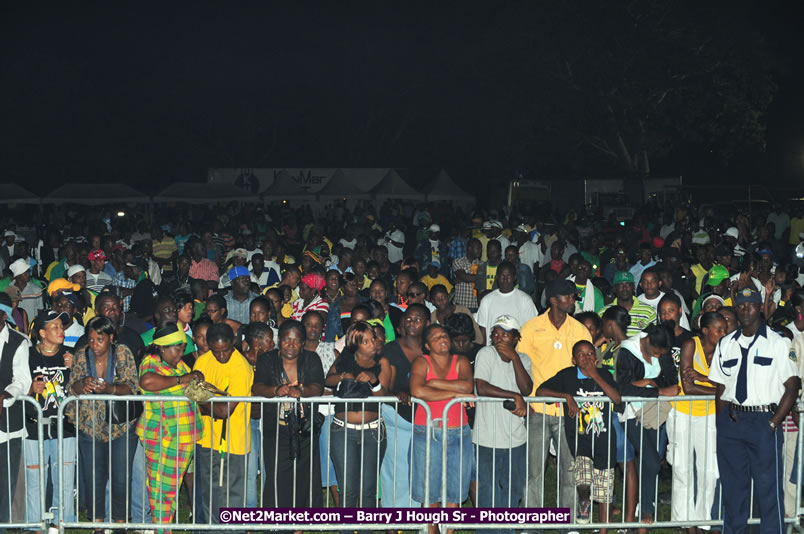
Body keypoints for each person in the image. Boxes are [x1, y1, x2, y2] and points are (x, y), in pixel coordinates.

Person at [708, 287, 800, 533]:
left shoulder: (778, 343)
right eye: (740, 305)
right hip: (732, 422)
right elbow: (720, 386)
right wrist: (721, 423)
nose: (745, 309)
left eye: (750, 305)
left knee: (768, 491)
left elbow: (792, 387)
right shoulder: (726, 344)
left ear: (760, 307)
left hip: (763, 421)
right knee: (733, 491)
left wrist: (773, 423)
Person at [517, 279, 591, 511]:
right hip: (537, 408)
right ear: (553, 300)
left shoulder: (579, 330)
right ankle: (532, 521)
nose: (573, 300)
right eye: (568, 296)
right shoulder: (531, 327)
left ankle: (567, 521)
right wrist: (527, 402)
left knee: (569, 470)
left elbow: (587, 368)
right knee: (534, 471)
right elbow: (521, 366)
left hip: (569, 411)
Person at [537, 340, 621, 529]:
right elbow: (540, 391)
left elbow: (616, 398)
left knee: (605, 490)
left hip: (604, 440)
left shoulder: (604, 374)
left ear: (597, 357)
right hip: (580, 439)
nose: (586, 358)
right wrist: (566, 397)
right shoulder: (567, 376)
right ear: (574, 360)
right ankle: (584, 501)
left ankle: (603, 529)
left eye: (590, 354)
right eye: (581, 355)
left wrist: (595, 375)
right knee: (583, 478)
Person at [68, 315, 139, 529]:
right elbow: (72, 388)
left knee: (120, 478)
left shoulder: (122, 353)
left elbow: (133, 387)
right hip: (89, 426)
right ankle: (98, 525)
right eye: (90, 340)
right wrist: (84, 383)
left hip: (121, 426)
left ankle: (119, 525)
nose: (94, 345)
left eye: (99, 340)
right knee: (94, 478)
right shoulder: (82, 354)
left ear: (110, 337)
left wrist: (110, 389)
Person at [137, 322, 204, 528]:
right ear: (162, 347)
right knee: (162, 490)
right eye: (177, 349)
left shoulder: (181, 366)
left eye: (183, 349)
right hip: (163, 437)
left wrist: (204, 385)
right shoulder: (151, 362)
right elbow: (147, 382)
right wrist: (181, 379)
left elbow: (197, 396)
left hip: (184, 438)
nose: (180, 353)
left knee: (169, 490)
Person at [253, 320, 324, 508]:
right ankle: (278, 523)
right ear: (279, 340)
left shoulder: (311, 359)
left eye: (296, 340)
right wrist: (276, 390)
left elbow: (318, 388)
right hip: (276, 431)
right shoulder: (267, 360)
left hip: (305, 431)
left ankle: (301, 524)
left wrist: (301, 390)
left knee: (305, 478)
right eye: (286, 340)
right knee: (277, 477)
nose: (291, 345)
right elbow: (257, 386)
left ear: (302, 342)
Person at [409, 324, 473, 534]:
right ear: (427, 345)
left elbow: (467, 387)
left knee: (455, 488)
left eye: (444, 335)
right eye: (436, 338)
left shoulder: (461, 361)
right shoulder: (421, 362)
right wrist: (455, 395)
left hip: (459, 431)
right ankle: (430, 530)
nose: (442, 339)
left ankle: (449, 530)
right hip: (428, 431)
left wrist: (435, 383)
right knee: (429, 490)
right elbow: (418, 390)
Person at [615, 324, 680, 531]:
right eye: (655, 353)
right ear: (646, 341)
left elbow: (671, 379)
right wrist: (658, 391)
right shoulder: (627, 351)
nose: (658, 356)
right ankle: (645, 511)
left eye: (662, 354)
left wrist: (649, 382)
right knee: (652, 460)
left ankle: (642, 515)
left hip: (654, 414)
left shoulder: (663, 349)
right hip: (631, 414)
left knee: (649, 461)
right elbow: (624, 389)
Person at [473, 315, 533, 532]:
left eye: (505, 334)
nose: (499, 338)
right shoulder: (485, 354)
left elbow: (526, 389)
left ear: (516, 337)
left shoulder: (524, 359)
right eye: (496, 333)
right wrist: (513, 396)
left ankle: (505, 529)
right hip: (486, 436)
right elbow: (482, 387)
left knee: (514, 489)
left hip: (516, 437)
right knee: (488, 490)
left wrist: (515, 359)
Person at [668, 311, 726, 533]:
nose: (723, 333)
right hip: (684, 412)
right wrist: (718, 390)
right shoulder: (690, 345)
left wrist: (705, 380)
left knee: (709, 470)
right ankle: (683, 521)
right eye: (718, 329)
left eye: (724, 329)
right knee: (682, 469)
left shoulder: (725, 349)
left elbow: (728, 385)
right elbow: (688, 387)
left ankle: (703, 520)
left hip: (710, 415)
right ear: (705, 330)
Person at [192, 323, 252, 529]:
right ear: (208, 346)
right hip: (206, 439)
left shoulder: (240, 367)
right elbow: (195, 396)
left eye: (226, 350)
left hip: (233, 442)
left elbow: (224, 411)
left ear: (233, 342)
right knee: (209, 497)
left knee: (232, 501)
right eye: (217, 352)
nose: (222, 356)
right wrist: (211, 402)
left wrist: (204, 400)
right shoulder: (202, 361)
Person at [325, 321, 391, 507]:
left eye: (373, 340)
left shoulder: (381, 362)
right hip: (343, 431)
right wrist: (342, 376)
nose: (373, 345)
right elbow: (328, 380)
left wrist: (373, 380)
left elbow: (384, 396)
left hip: (372, 431)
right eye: (366, 342)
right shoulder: (344, 359)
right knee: (347, 489)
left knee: (368, 490)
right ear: (355, 344)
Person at [24, 310, 75, 531]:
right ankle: (35, 523)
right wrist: (29, 389)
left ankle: (60, 522)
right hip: (34, 426)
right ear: (42, 333)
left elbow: (80, 389)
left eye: (62, 327)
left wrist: (73, 369)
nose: (61, 331)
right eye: (55, 327)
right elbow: (15, 384)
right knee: (35, 477)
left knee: (64, 476)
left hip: (65, 427)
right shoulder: (26, 355)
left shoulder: (70, 355)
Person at [380, 304, 430, 508]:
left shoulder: (433, 348)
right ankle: (396, 515)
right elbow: (384, 388)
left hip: (427, 419)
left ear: (427, 324)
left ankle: (422, 516)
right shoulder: (391, 349)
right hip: (398, 417)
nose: (411, 322)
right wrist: (397, 395)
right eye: (408, 318)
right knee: (396, 469)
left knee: (425, 469)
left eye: (417, 319)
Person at [302, 310, 340, 506]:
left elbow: (339, 383)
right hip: (300, 413)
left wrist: (319, 391)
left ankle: (340, 508)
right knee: (305, 461)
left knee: (331, 459)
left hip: (327, 412)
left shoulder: (330, 350)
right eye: (309, 324)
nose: (313, 329)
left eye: (317, 325)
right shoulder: (293, 349)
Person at [239, 322, 275, 509]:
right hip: (248, 422)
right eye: (270, 340)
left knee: (270, 467)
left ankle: (269, 511)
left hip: (268, 420)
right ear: (257, 343)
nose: (274, 344)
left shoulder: (272, 361)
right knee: (250, 469)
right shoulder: (240, 361)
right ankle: (250, 512)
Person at [475, 261, 538, 345]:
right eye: (502, 276)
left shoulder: (525, 300)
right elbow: (482, 330)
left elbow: (532, 329)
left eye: (508, 276)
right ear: (497, 277)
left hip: (518, 351)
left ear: (514, 277)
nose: (505, 279)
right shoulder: (487, 300)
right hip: (493, 351)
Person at [599, 271, 658, 336]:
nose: (624, 288)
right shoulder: (604, 312)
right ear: (614, 289)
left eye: (628, 284)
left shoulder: (648, 311)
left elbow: (654, 339)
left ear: (634, 287)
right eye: (621, 284)